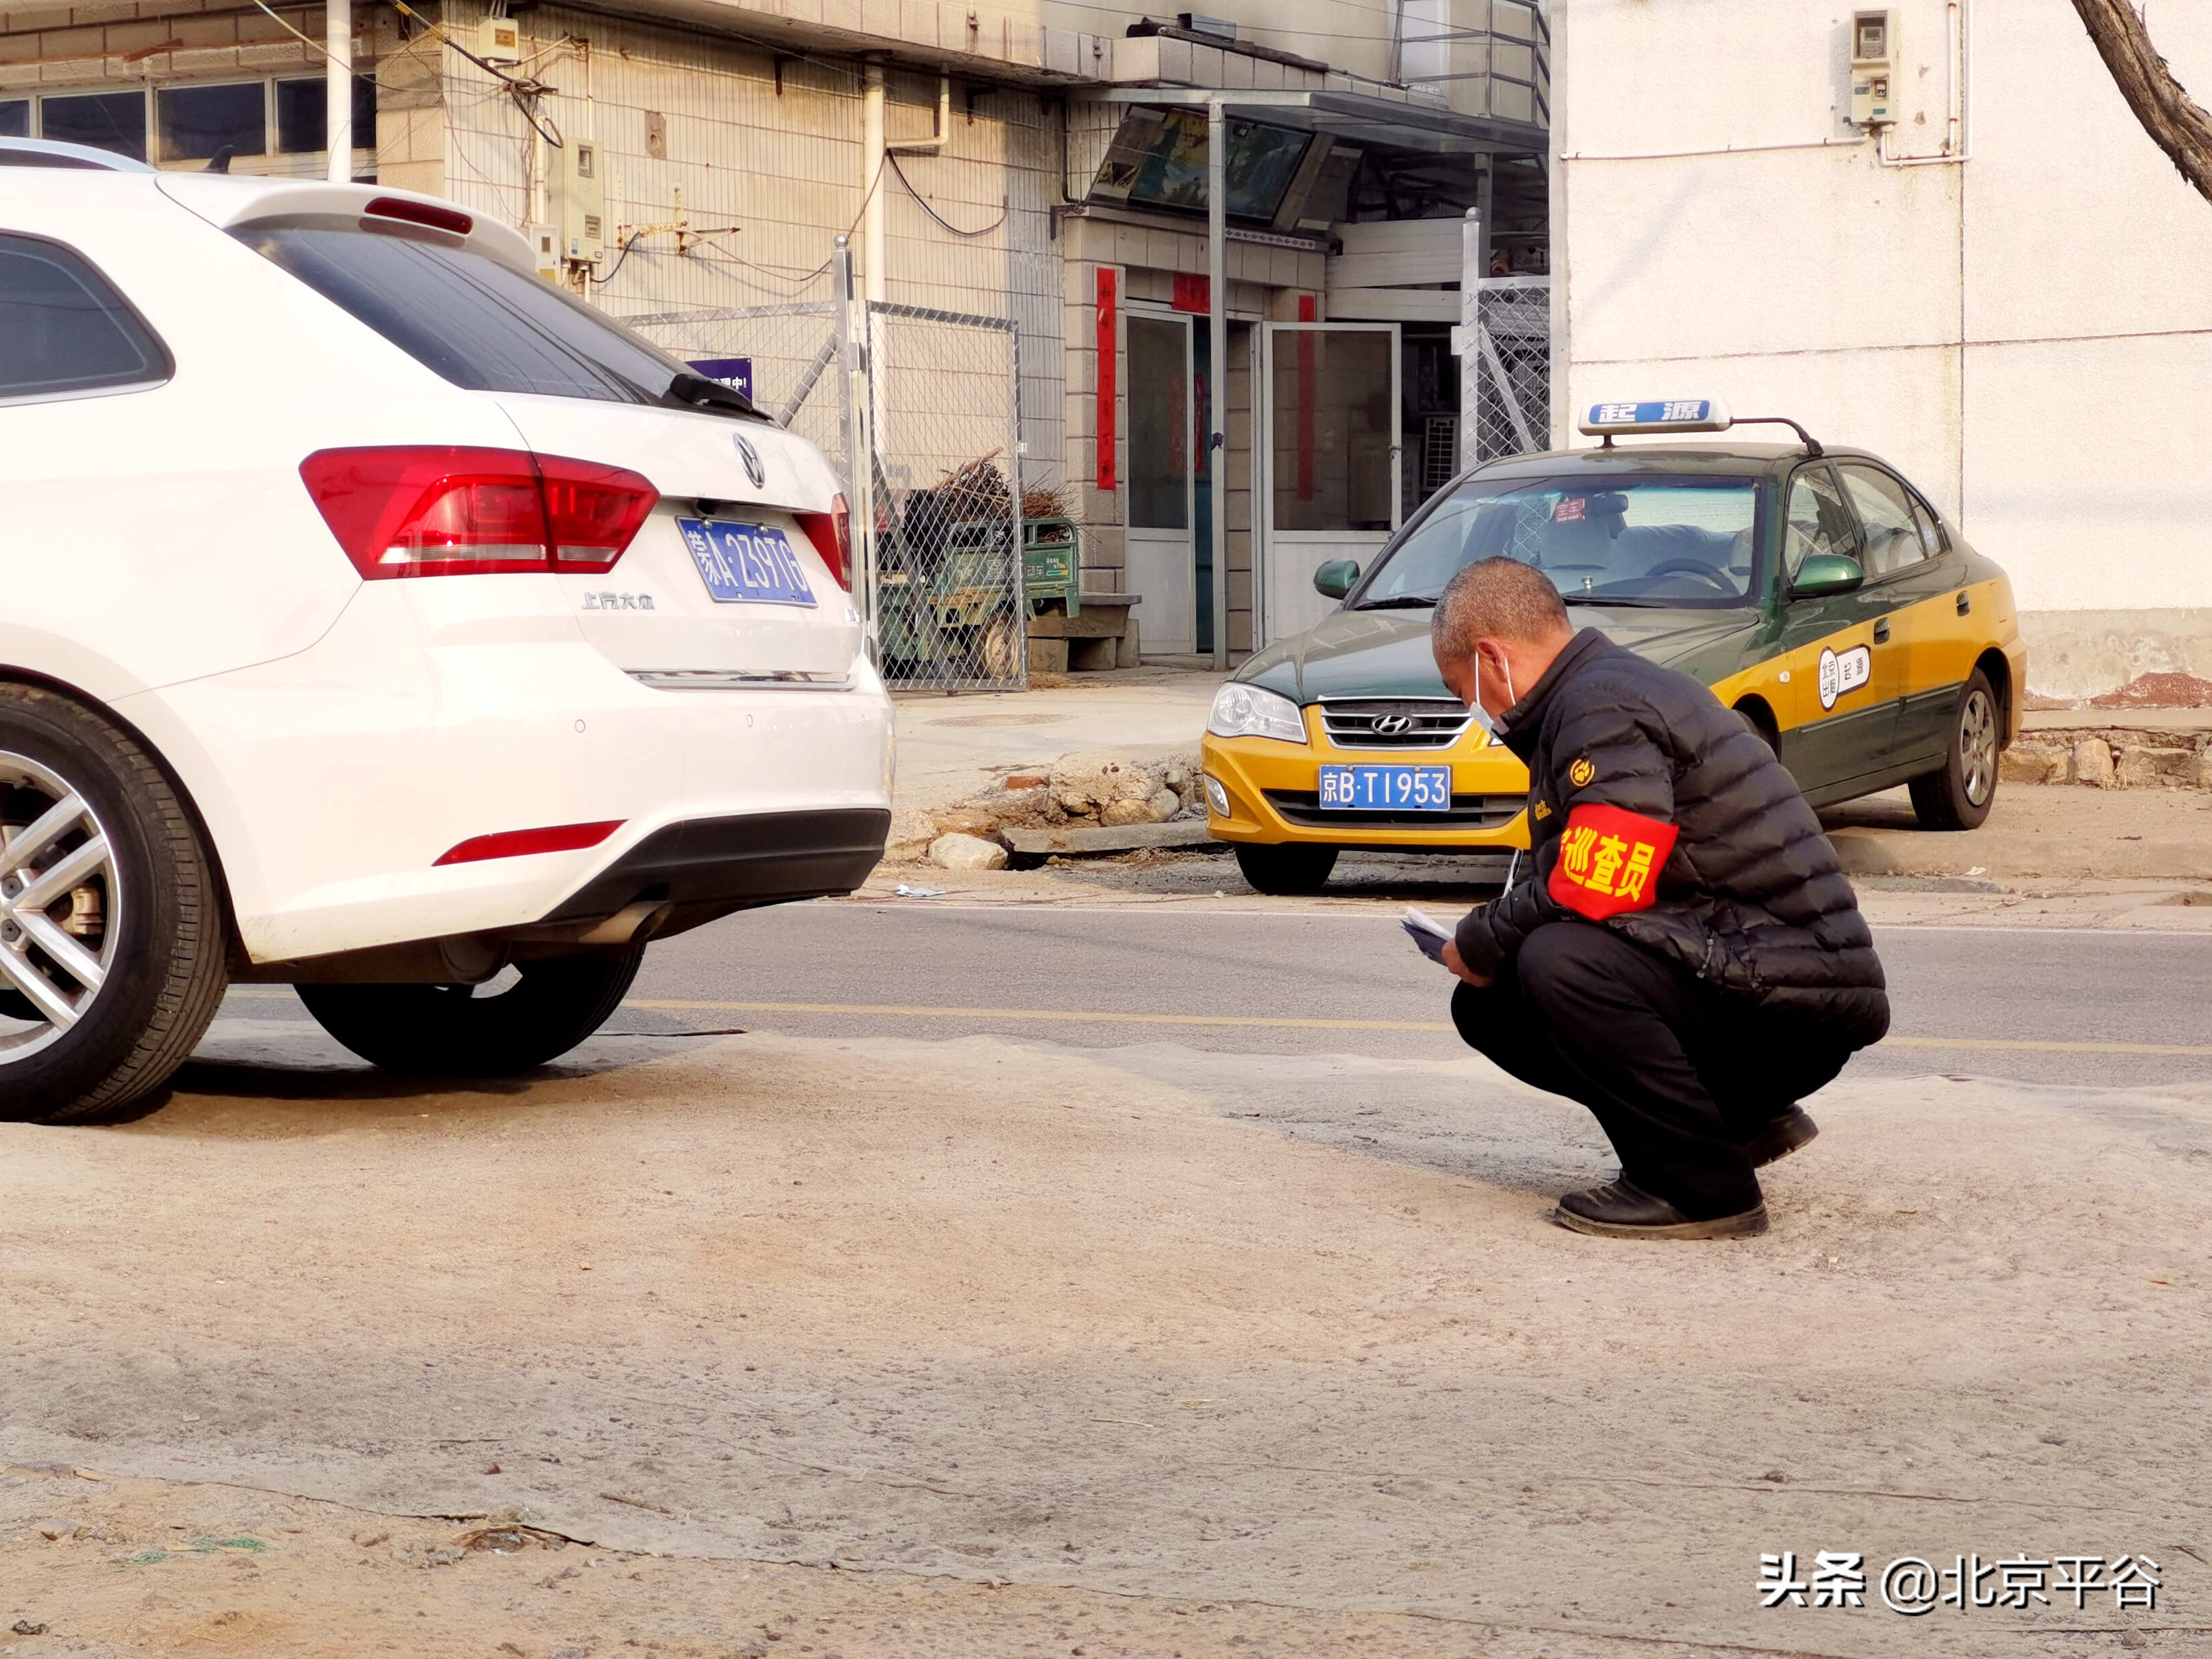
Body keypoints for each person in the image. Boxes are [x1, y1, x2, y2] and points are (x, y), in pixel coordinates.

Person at [1432, 557, 1889, 1239]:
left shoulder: (1598, 706)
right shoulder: (1599, 695)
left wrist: (1482, 939)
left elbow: (1599, 875)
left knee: (1560, 963)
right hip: (1766, 980)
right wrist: (1494, 939)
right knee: (1493, 1004)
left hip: (1794, 1004)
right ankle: (1734, 1123)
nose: (1472, 709)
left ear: (1490, 659)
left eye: (1458, 688)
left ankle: (1702, 1188)